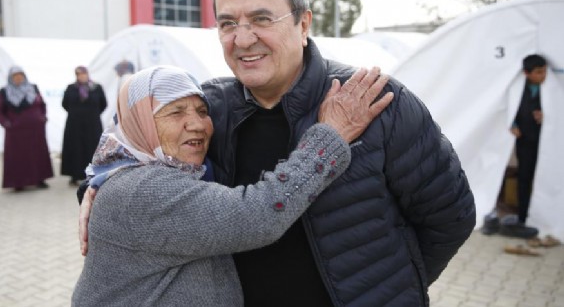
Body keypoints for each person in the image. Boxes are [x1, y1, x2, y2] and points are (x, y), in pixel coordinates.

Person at [79, 0, 476, 306]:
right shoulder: (210, 110)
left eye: (262, 19)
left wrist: (390, 290)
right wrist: (93, 191)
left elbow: (450, 217)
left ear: (304, 23)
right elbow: (137, 162)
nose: (244, 38)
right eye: (228, 24)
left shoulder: (373, 103)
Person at [72, 65, 392, 306]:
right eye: (174, 112)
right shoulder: (142, 189)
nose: (196, 123)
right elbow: (258, 215)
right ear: (140, 123)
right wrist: (331, 136)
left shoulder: (139, 174)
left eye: (201, 110)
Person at [499, 54, 547, 238]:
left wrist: (546, 117)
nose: (543, 75)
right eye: (539, 72)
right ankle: (523, 216)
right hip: (526, 141)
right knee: (524, 177)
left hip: (544, 142)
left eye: (544, 71)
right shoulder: (520, 90)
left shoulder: (550, 91)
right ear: (527, 73)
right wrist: (513, 125)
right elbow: (509, 108)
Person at [0, 66, 53, 191]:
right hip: (16, 131)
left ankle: (40, 179)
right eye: (15, 76)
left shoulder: (33, 88)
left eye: (20, 75)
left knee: (37, 154)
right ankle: (18, 182)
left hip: (35, 130)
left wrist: (42, 117)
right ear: (10, 78)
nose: (18, 78)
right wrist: (6, 123)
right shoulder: (4, 92)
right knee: (18, 156)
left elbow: (42, 104)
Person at [61, 66, 107, 186]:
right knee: (75, 148)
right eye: (79, 74)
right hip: (74, 125)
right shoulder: (71, 88)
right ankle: (75, 174)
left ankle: (93, 173)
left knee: (92, 147)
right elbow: (65, 104)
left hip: (92, 124)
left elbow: (103, 104)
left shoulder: (97, 88)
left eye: (84, 74)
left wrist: (92, 114)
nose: (82, 76)